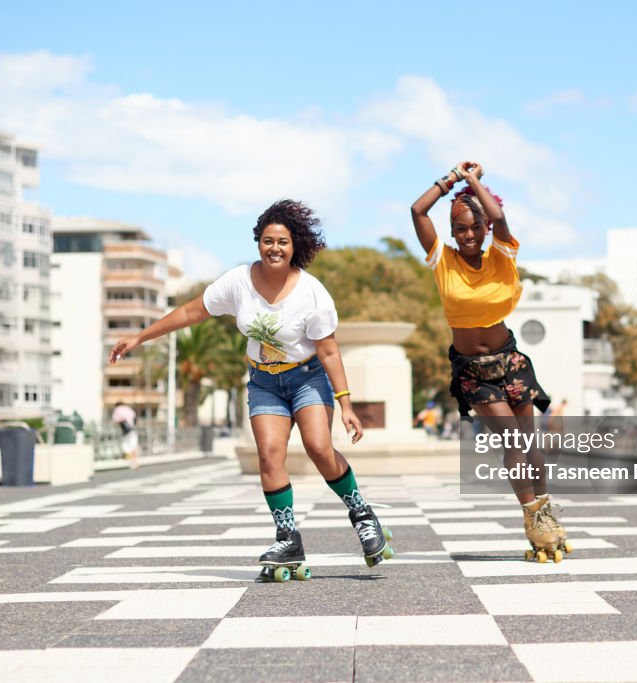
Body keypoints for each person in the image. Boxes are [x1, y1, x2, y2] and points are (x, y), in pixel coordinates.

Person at [109, 199, 393, 575]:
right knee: (269, 454)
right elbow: (191, 312)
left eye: (283, 242)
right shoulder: (238, 282)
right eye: (268, 240)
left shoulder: (312, 293)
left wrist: (346, 404)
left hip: (306, 377)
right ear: (258, 242)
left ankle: (363, 516)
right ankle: (288, 538)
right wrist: (140, 337)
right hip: (264, 382)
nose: (275, 248)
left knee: (319, 447)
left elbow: (329, 351)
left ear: (295, 247)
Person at [411, 161, 570, 562]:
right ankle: (533, 515)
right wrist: (450, 179)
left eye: (473, 227)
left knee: (528, 441)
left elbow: (498, 216)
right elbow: (417, 211)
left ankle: (545, 510)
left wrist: (473, 182)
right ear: (452, 232)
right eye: (460, 228)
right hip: (472, 369)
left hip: (511, 361)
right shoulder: (441, 260)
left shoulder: (503, 252)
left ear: (484, 230)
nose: (467, 234)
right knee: (512, 440)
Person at [111, 401, 139, 469]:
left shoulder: (117, 409)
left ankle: (130, 462)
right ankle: (134, 462)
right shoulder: (128, 409)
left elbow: (115, 419)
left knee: (126, 446)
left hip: (126, 431)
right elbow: (135, 417)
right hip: (133, 429)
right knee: (133, 447)